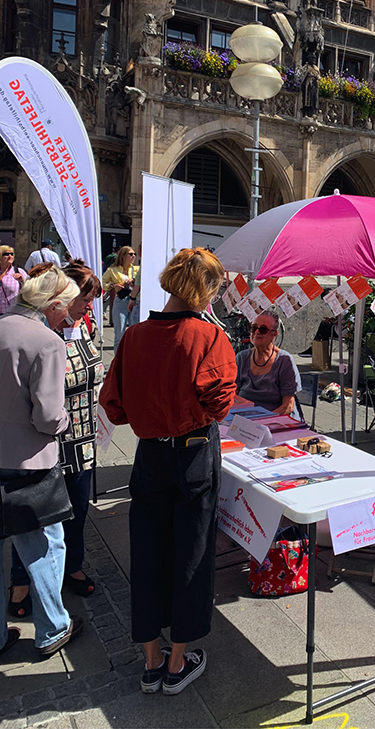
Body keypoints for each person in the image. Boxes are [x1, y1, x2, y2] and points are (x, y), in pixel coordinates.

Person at [99, 248, 236, 696]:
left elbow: (113, 406)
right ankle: (178, 663)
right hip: (194, 452)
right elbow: (220, 402)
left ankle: (152, 661)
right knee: (191, 553)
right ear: (205, 288)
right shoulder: (208, 338)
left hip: (150, 455)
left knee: (149, 551)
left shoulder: (134, 336)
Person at [9, 260, 104, 617]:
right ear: (62, 299)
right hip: (45, 438)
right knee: (32, 519)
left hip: (81, 435)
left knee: (77, 510)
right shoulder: (44, 334)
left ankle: (71, 569)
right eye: (85, 300)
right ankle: (21, 583)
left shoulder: (83, 327)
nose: (88, 308)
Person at [0, 267, 84, 658]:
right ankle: (52, 627)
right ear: (52, 306)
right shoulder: (46, 342)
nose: (68, 315)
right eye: (66, 308)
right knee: (44, 542)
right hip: (28, 460)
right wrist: (67, 420)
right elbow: (48, 416)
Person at [236, 307, 301, 417]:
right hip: (246, 419)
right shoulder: (242, 358)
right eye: (253, 327)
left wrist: (262, 420)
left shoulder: (284, 361)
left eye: (263, 329)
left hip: (277, 420)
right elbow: (233, 394)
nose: (256, 332)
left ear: (274, 334)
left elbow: (288, 406)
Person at [102, 245, 139, 353]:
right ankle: (117, 361)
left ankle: (132, 359)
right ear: (123, 256)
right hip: (121, 300)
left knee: (134, 333)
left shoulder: (137, 269)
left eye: (134, 254)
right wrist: (113, 286)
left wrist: (133, 282)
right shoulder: (113, 270)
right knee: (119, 333)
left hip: (134, 301)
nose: (133, 256)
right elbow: (102, 282)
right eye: (131, 254)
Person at [0, 245, 27, 314]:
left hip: (12, 314)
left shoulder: (19, 271)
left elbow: (30, 289)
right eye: (6, 254)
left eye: (11, 254)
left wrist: (22, 281)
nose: (10, 256)